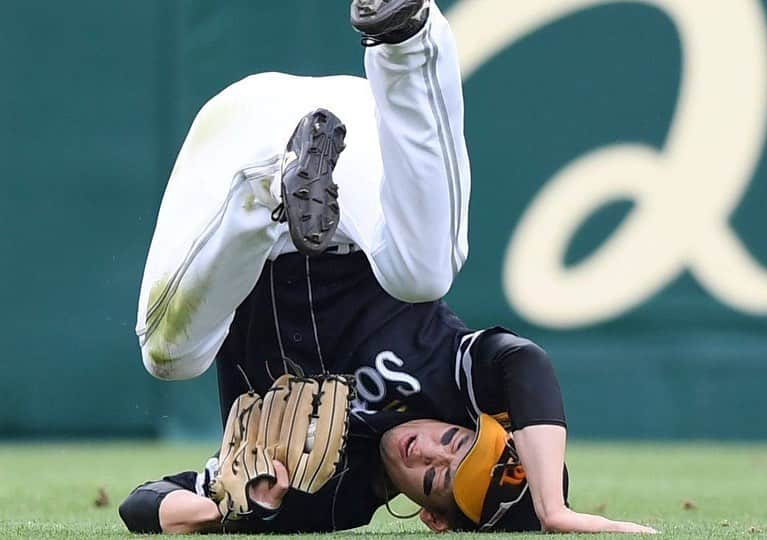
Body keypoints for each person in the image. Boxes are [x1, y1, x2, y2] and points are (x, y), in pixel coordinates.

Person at [130, 0, 656, 534]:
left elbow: (142, 507)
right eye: (454, 442)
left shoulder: (328, 502)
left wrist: (232, 505)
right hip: (350, 145)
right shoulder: (453, 381)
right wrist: (553, 509)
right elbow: (526, 363)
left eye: (437, 479)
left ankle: (271, 184)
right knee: (424, 274)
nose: (429, 453)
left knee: (169, 358)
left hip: (233, 160)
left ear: (432, 517)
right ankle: (405, 35)